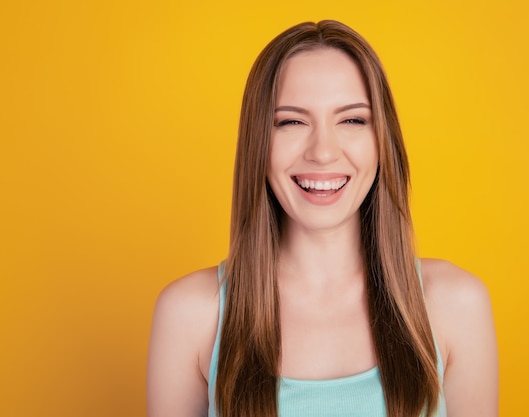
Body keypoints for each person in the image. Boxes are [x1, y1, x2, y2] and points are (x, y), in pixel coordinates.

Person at [146, 20, 498, 417]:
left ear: (384, 141)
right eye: (291, 121)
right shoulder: (191, 314)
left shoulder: (456, 305)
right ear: (258, 142)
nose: (323, 151)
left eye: (352, 120)